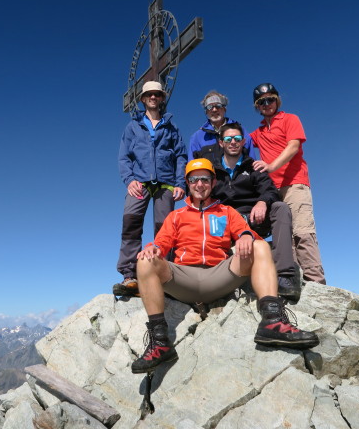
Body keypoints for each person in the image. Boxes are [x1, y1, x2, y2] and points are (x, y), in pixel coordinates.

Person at [131, 158, 319, 374]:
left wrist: (246, 235)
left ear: (212, 182)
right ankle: (160, 342)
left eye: (204, 179)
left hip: (219, 276)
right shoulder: (176, 216)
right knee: (145, 260)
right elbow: (161, 243)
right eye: (194, 180)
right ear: (187, 183)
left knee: (259, 246)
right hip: (183, 280)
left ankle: (272, 321)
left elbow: (245, 232)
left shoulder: (226, 211)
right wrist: (152, 248)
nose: (199, 184)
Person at [202, 122, 300, 300]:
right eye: (228, 139)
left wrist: (262, 202)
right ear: (221, 143)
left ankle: (285, 276)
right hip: (227, 222)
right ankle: (209, 275)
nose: (233, 142)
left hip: (255, 219)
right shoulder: (212, 171)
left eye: (237, 139)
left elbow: (270, 190)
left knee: (281, 208)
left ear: (243, 142)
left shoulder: (253, 167)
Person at [114, 80, 188, 297]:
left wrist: (180, 183)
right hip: (138, 182)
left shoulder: (171, 127)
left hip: (166, 184)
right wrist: (129, 180)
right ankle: (129, 275)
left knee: (165, 230)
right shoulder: (132, 127)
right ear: (143, 99)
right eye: (149, 95)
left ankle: (164, 275)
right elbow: (124, 157)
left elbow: (181, 155)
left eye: (157, 94)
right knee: (131, 223)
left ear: (162, 98)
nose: (153, 97)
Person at [249, 83, 326, 284]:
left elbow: (293, 147)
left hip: (295, 184)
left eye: (270, 99)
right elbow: (237, 141)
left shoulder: (290, 119)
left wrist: (271, 166)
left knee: (303, 233)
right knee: (285, 239)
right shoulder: (258, 133)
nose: (267, 104)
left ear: (277, 100)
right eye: (261, 102)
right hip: (273, 191)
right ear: (257, 106)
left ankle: (316, 283)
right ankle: (293, 281)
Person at [189, 90, 257, 160]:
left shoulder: (240, 131)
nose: (214, 110)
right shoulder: (196, 138)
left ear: (224, 109)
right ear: (206, 111)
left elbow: (252, 161)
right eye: (210, 107)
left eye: (218, 106)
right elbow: (192, 166)